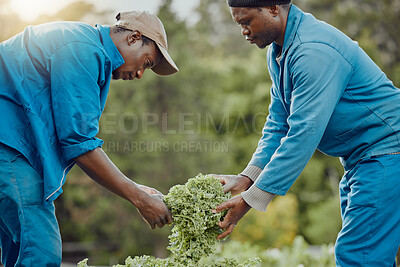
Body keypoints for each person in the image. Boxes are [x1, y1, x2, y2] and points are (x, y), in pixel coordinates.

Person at [212, 0, 400, 266]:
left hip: (387, 153)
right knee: (369, 254)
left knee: (360, 257)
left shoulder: (312, 51)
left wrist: (251, 199)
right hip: (362, 160)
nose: (243, 31)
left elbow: (303, 133)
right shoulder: (279, 52)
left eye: (246, 21)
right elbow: (279, 122)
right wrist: (248, 177)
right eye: (239, 23)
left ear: (274, 8)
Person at [0, 10, 178, 266]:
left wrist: (138, 190)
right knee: (41, 253)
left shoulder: (84, 45)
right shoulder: (83, 49)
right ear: (134, 38)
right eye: (147, 63)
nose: (140, 74)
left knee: (20, 250)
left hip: (11, 147)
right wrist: (139, 199)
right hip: (8, 149)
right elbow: (79, 144)